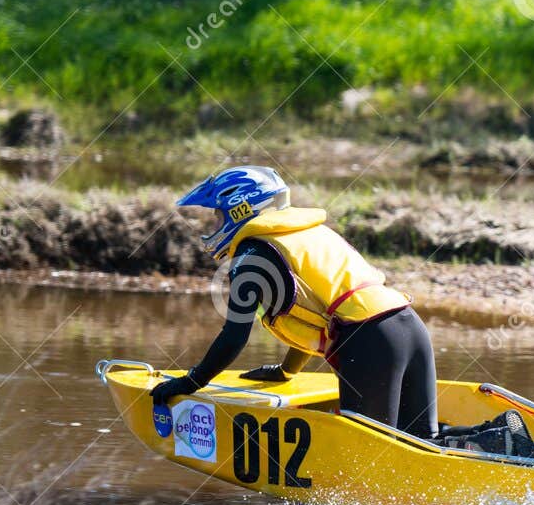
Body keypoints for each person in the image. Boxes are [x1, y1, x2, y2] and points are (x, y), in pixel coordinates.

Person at [149, 166, 437, 438]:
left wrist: (191, 382)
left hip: (369, 344)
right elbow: (317, 314)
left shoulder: (250, 257)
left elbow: (234, 337)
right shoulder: (308, 233)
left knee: (370, 455)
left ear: (240, 209)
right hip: (409, 326)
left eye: (218, 216)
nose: (215, 224)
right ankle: (482, 440)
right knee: (424, 440)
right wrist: (286, 370)